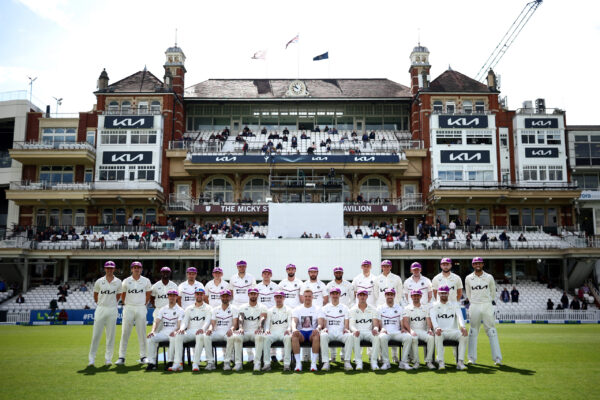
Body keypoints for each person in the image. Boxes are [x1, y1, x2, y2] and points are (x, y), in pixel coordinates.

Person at [465, 257, 502, 365]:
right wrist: (475, 302)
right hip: (474, 305)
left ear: (482, 264)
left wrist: (487, 301)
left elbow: (493, 292)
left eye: (479, 263)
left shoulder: (489, 277)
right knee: (473, 331)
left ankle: (497, 358)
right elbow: (468, 293)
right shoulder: (468, 278)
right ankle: (471, 358)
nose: (477, 265)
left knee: (491, 330)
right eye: (475, 263)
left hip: (487, 305)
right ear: (472, 265)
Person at [116, 261, 152, 366]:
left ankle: (143, 356)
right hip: (129, 308)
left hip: (141, 307)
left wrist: (142, 304)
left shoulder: (146, 281)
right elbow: (123, 295)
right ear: (131, 269)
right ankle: (121, 357)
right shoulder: (126, 281)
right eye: (135, 267)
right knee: (125, 333)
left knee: (142, 333)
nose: (137, 269)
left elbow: (148, 294)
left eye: (139, 267)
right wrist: (127, 304)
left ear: (141, 269)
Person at [88, 261, 123, 367]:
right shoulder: (99, 281)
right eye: (107, 268)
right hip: (101, 308)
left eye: (111, 268)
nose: (109, 270)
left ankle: (108, 359)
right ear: (104, 269)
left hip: (112, 309)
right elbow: (95, 296)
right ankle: (91, 359)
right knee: (96, 335)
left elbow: (118, 296)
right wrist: (101, 304)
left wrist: (111, 303)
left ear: (114, 269)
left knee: (110, 335)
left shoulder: (118, 282)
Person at [172, 287, 213, 371]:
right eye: (197, 294)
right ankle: (178, 363)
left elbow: (208, 321)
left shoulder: (208, 308)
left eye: (201, 294)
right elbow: (185, 321)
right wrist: (182, 328)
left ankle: (195, 363)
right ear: (195, 295)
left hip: (201, 331)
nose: (199, 296)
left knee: (200, 335)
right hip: (190, 331)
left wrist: (202, 328)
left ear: (203, 296)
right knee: (178, 335)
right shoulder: (189, 308)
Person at [430, 285, 468, 370]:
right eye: (441, 293)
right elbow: (433, 318)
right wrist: (436, 328)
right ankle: (441, 362)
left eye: (445, 293)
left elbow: (460, 317)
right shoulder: (434, 305)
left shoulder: (455, 304)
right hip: (441, 331)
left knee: (464, 335)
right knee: (438, 335)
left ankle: (460, 362)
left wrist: (463, 327)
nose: (443, 295)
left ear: (448, 293)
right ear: (439, 293)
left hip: (453, 331)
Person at [145, 290, 184, 371]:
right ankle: (152, 363)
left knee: (174, 338)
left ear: (176, 297)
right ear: (168, 297)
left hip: (173, 333)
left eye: (174, 296)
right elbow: (156, 321)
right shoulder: (163, 309)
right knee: (150, 338)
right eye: (170, 296)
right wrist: (153, 331)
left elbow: (180, 325)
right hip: (163, 332)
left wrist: (175, 331)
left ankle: (170, 361)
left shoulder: (180, 310)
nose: (172, 297)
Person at [317, 287, 352, 371]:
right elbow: (324, 323)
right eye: (333, 294)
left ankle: (347, 362)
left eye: (336, 294)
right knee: (323, 335)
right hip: (330, 333)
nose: (335, 295)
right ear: (330, 295)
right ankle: (326, 363)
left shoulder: (345, 308)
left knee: (350, 336)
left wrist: (346, 329)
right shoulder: (325, 308)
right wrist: (324, 328)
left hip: (340, 333)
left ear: (339, 295)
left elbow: (346, 323)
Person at [233, 288, 268, 371]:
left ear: (257, 295)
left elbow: (262, 317)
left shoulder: (262, 307)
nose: (253, 295)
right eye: (251, 294)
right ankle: (238, 364)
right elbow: (241, 318)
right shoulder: (242, 307)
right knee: (237, 336)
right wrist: (240, 328)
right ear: (248, 295)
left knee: (259, 336)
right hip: (245, 332)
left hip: (256, 332)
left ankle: (257, 363)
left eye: (255, 294)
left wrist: (260, 327)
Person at [378, 288, 413, 370]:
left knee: (408, 337)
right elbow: (379, 322)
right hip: (386, 332)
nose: (389, 296)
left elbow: (401, 322)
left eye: (391, 294)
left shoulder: (399, 308)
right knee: (382, 337)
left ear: (394, 295)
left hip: (397, 332)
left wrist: (403, 328)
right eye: (388, 294)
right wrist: (382, 329)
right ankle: (386, 362)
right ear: (385, 295)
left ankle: (403, 362)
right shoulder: (380, 308)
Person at [349, 289, 381, 370]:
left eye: (364, 295)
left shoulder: (373, 309)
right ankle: (358, 362)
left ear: (367, 296)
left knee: (377, 337)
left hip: (368, 332)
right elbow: (351, 325)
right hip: (358, 332)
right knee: (355, 336)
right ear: (357, 296)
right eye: (360, 295)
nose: (362, 297)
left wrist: (376, 329)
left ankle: (374, 362)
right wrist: (355, 330)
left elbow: (375, 324)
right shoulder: (352, 309)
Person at [403, 290, 435, 370]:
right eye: (414, 295)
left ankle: (429, 361)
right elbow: (405, 322)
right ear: (411, 297)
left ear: (420, 296)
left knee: (431, 338)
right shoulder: (407, 308)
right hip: (413, 330)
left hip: (423, 331)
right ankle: (416, 361)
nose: (416, 297)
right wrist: (411, 330)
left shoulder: (425, 308)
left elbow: (428, 321)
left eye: (417, 295)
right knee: (414, 338)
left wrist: (430, 329)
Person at [205, 290, 238, 370]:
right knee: (206, 337)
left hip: (228, 333)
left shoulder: (234, 308)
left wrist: (231, 329)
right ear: (220, 297)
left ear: (230, 297)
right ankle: (210, 362)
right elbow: (212, 323)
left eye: (227, 296)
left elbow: (235, 324)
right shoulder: (215, 309)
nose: (225, 298)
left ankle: (227, 362)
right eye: (223, 296)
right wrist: (209, 329)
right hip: (217, 332)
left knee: (232, 337)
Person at [261, 291, 293, 371]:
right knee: (266, 337)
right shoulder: (270, 310)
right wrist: (267, 330)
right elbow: (267, 323)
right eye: (277, 297)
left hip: (284, 332)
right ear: (274, 298)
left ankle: (286, 365)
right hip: (273, 332)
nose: (279, 299)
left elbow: (290, 323)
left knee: (288, 338)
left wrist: (289, 329)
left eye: (280, 297)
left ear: (284, 298)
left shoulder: (288, 310)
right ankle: (267, 364)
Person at [291, 288, 321, 372]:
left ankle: (314, 363)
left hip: (312, 332)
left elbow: (320, 322)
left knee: (316, 335)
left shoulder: (318, 308)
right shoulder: (297, 309)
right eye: (306, 296)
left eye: (309, 296)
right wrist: (294, 329)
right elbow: (294, 321)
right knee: (294, 336)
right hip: (302, 333)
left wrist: (318, 328)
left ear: (312, 297)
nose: (307, 298)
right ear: (303, 297)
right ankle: (298, 364)